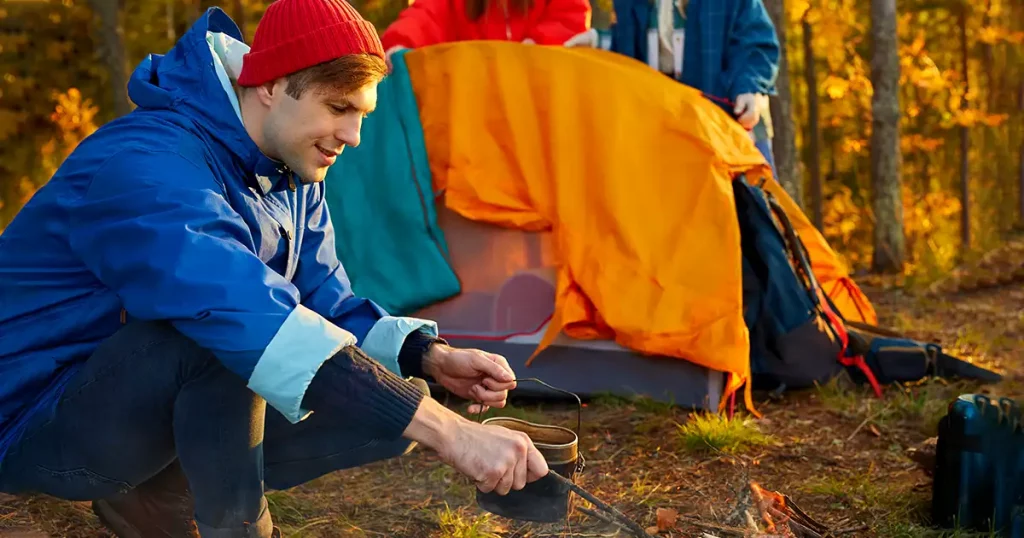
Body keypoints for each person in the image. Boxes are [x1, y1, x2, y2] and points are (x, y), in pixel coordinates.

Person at [0, 1, 549, 536]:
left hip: (130, 400)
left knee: (389, 406)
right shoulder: (148, 166)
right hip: (35, 420)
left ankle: (155, 492)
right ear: (269, 85)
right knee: (222, 339)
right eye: (339, 109)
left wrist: (428, 357)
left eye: (362, 114)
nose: (354, 136)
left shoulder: (289, 173)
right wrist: (453, 434)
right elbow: (244, 318)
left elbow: (325, 304)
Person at [569, 0, 779, 176]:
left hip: (735, 124)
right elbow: (630, 46)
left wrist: (749, 88)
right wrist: (599, 41)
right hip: (672, 133)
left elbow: (757, 42)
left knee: (756, 215)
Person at [379, 0, 592, 67]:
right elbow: (425, 16)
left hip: (539, 113)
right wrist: (399, 45)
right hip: (476, 118)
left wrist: (533, 48)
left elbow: (570, 17)